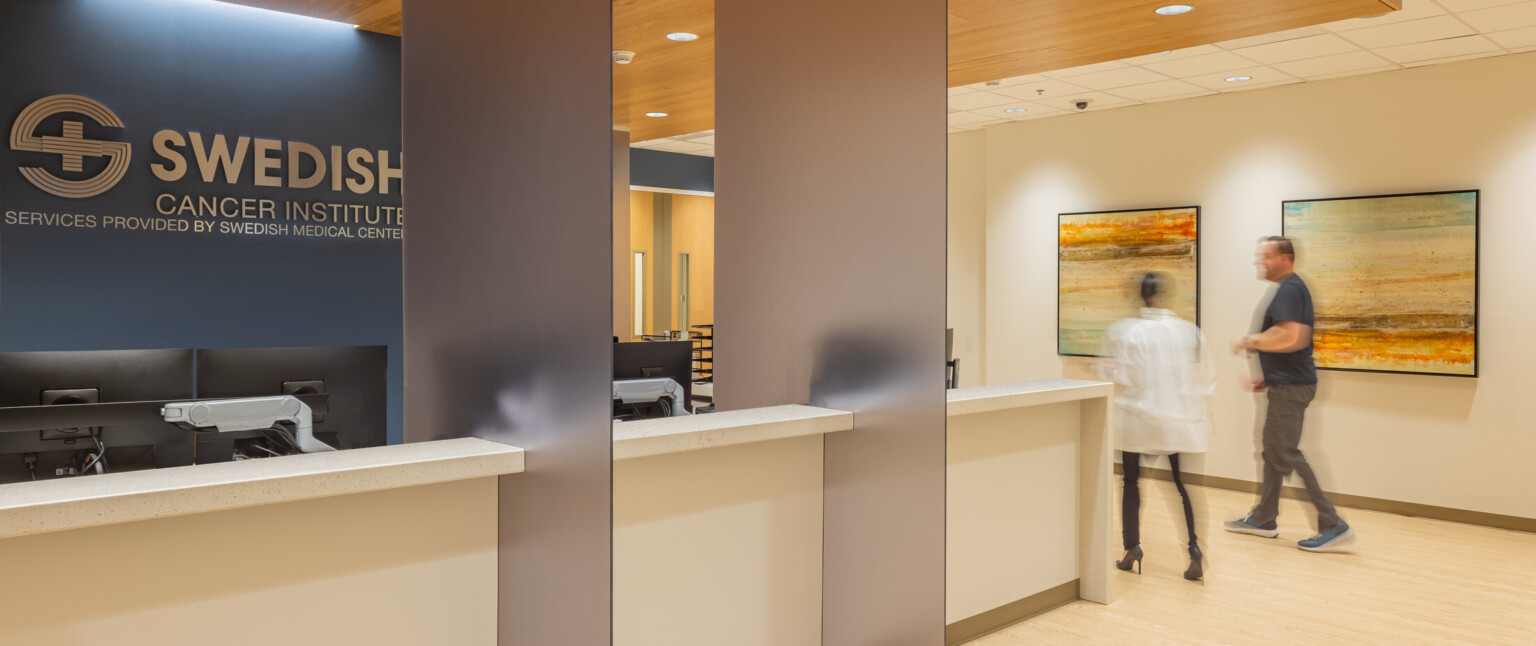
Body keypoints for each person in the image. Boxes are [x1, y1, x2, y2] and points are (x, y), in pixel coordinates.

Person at [1225, 236, 1354, 552]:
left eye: (1265, 257)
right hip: (1285, 384)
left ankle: (1332, 524)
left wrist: (1251, 340)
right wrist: (1268, 376)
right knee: (1273, 450)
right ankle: (1264, 518)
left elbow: (1292, 336)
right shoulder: (1289, 289)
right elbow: (1288, 338)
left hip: (1293, 387)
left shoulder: (1290, 289)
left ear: (1285, 258)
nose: (1260, 262)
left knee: (1286, 452)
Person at [1100, 272, 1215, 581]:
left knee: (1131, 483)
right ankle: (1194, 550)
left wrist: (1104, 369)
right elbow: (1205, 380)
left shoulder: (1128, 332)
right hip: (1179, 424)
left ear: (1140, 296)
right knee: (1182, 487)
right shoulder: (1189, 332)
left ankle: (1131, 549)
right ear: (1164, 296)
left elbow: (1126, 378)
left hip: (1140, 422)